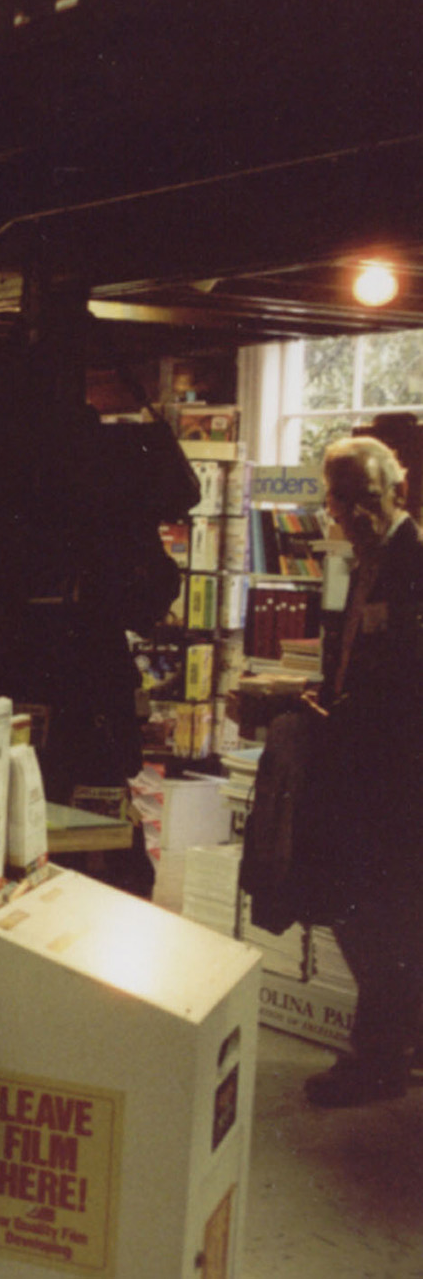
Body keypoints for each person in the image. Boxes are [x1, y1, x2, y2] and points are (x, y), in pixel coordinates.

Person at [298, 435, 423, 1107]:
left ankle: (378, 1061)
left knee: (379, 917)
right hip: (362, 765)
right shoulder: (363, 563)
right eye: (339, 497)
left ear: (396, 492)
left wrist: (351, 716)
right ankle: (391, 1047)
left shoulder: (413, 562)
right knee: (368, 913)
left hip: (398, 780)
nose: (349, 510)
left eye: (362, 496)